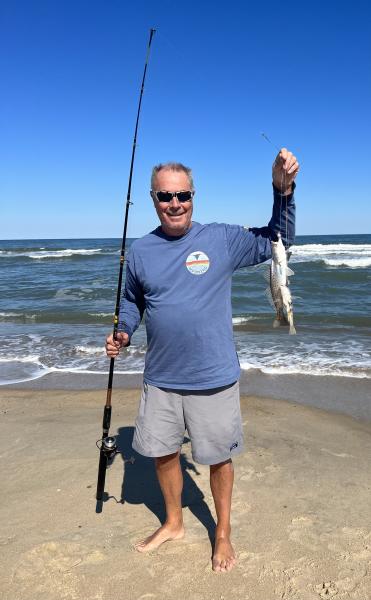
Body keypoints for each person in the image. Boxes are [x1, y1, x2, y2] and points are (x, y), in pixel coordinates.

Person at [105, 149, 299, 572]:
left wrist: (282, 190)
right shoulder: (140, 251)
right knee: (163, 452)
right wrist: (123, 329)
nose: (175, 204)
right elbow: (132, 300)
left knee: (217, 458)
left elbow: (278, 237)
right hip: (161, 378)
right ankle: (174, 522)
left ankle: (223, 532)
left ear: (194, 196)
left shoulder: (222, 240)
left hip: (214, 378)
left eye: (183, 195)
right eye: (165, 196)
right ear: (153, 199)